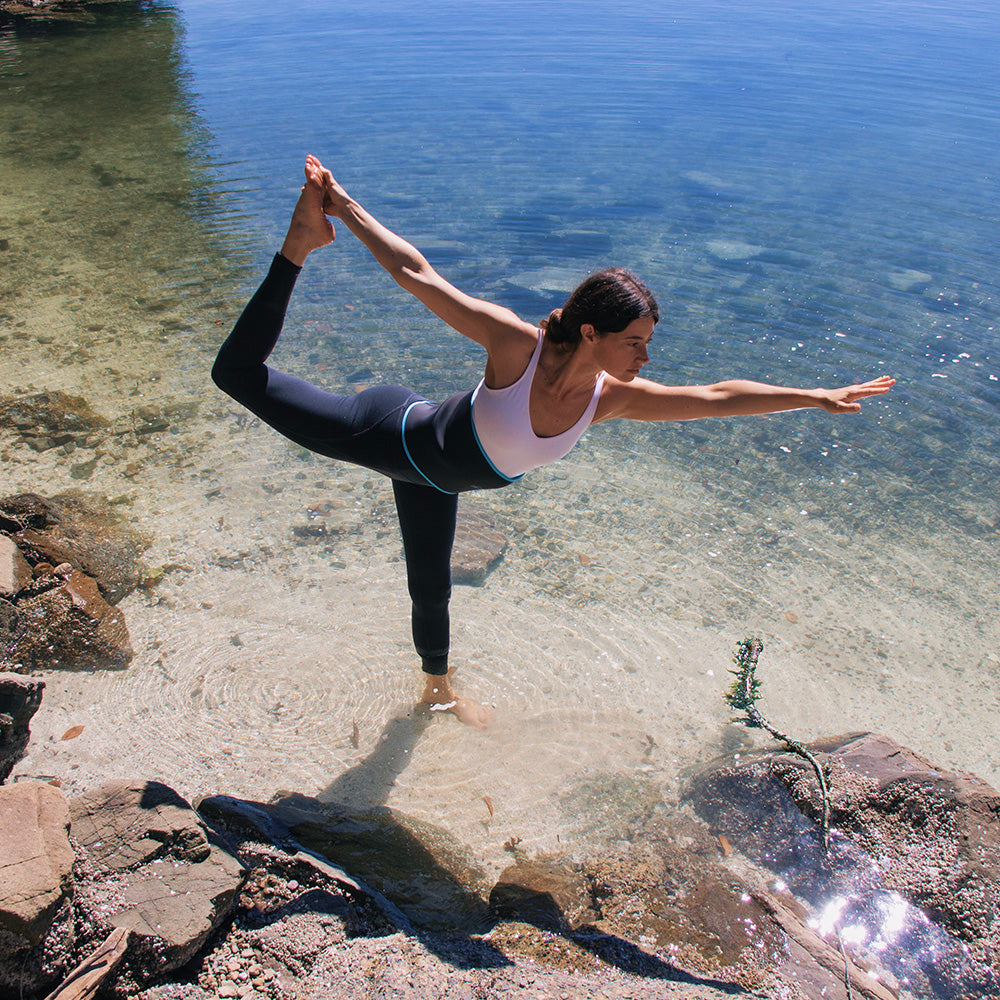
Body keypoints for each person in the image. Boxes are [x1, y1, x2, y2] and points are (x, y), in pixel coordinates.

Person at [212, 155, 895, 729]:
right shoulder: (518, 348)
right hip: (388, 434)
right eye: (636, 343)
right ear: (592, 334)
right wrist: (343, 205)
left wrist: (813, 395)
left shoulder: (609, 401)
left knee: (432, 588)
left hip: (438, 476)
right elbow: (417, 274)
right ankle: (297, 247)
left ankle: (438, 693)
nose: (645, 360)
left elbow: (717, 396)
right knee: (237, 375)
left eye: (648, 345)